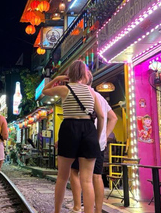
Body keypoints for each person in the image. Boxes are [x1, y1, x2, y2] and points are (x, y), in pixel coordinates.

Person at [42, 60, 104, 213]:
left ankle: (57, 211)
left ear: (69, 74)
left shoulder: (65, 89)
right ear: (84, 74)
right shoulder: (91, 92)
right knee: (87, 180)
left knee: (62, 177)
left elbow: (45, 91)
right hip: (88, 129)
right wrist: (96, 137)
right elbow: (101, 117)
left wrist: (57, 79)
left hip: (69, 128)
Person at [69, 72, 118, 213]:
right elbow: (113, 118)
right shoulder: (101, 97)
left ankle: (78, 206)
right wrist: (104, 135)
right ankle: (98, 210)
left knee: (74, 171)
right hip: (99, 144)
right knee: (97, 176)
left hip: (83, 141)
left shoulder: (83, 95)